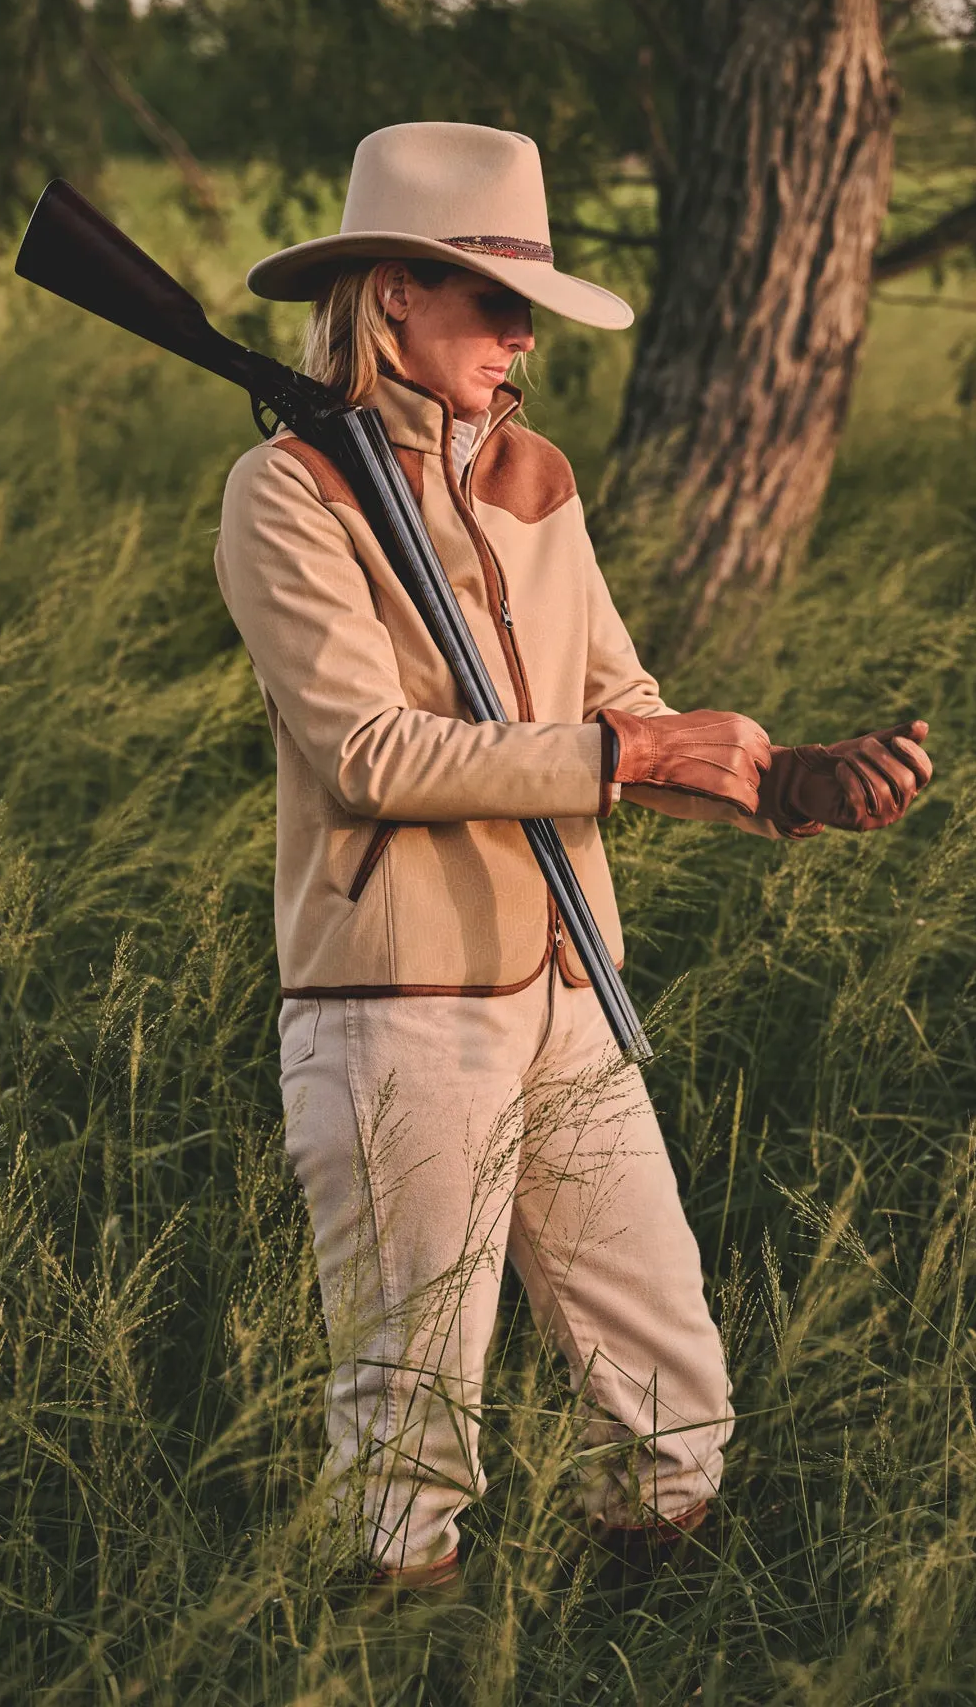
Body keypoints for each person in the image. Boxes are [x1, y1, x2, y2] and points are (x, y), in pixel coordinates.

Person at [214, 122, 932, 1589]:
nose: (522, 332)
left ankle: (646, 1640)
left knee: (677, 1406)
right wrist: (623, 761)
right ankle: (391, 1663)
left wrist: (782, 786)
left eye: (529, 301)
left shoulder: (534, 474)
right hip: (394, 1013)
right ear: (393, 293)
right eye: (491, 297)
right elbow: (371, 755)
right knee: (411, 1429)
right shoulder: (287, 492)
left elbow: (625, 707)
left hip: (565, 991)